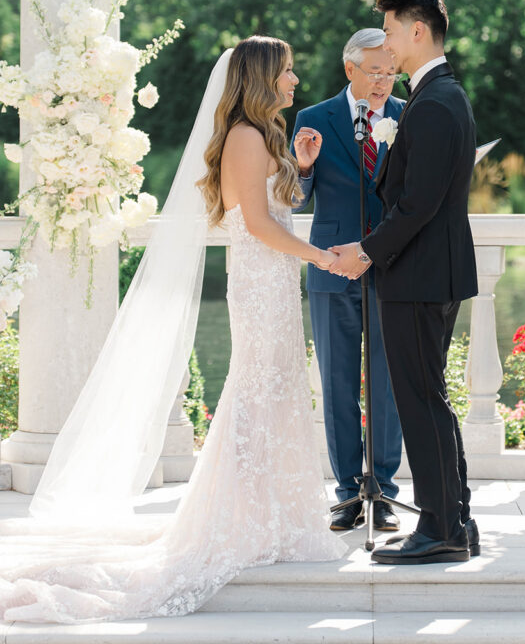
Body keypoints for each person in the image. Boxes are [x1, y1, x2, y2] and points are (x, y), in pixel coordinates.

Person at [0, 36, 344, 623]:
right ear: (262, 78)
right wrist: (322, 257)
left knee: (277, 392)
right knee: (256, 393)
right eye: (286, 71)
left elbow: (273, 204)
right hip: (261, 282)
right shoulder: (244, 136)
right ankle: (235, 520)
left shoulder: (264, 135)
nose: (294, 80)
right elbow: (258, 224)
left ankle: (271, 517)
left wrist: (301, 166)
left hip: (274, 281)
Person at [329, 0, 480, 566]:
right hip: (428, 273)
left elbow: (418, 205)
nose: (387, 44)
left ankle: (441, 528)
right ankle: (456, 520)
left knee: (421, 402)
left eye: (391, 31)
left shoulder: (436, 103)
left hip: (419, 277)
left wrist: (365, 253)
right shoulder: (437, 95)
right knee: (429, 398)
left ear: (418, 31)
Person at [292, 29, 404, 532]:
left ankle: (383, 491)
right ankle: (346, 494)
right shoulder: (313, 119)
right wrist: (303, 167)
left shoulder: (409, 115)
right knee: (338, 385)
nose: (383, 81)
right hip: (333, 268)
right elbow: (294, 200)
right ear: (350, 69)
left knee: (388, 385)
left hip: (393, 266)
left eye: (391, 72)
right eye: (375, 71)